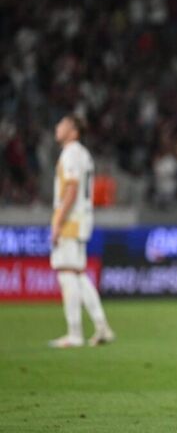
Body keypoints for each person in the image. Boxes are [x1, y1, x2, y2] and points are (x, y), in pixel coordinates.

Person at [48, 114, 114, 348]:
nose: (57, 127)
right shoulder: (83, 153)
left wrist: (57, 222)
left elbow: (72, 189)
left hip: (70, 220)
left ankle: (74, 333)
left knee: (67, 273)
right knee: (76, 273)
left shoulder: (71, 153)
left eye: (62, 124)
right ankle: (102, 326)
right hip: (81, 218)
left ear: (74, 131)